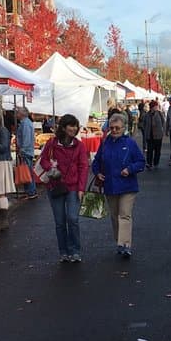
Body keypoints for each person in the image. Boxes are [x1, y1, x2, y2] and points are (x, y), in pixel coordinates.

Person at [92, 113, 146, 258]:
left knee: (125, 215)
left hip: (128, 186)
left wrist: (130, 169)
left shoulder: (130, 143)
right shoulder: (105, 143)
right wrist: (97, 173)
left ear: (124, 128)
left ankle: (125, 244)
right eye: (112, 128)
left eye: (117, 128)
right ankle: (119, 241)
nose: (114, 130)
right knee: (115, 216)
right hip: (110, 185)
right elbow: (96, 161)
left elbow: (141, 162)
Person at [39, 114, 89, 263]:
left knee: (73, 219)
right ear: (63, 127)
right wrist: (51, 168)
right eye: (70, 125)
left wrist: (81, 188)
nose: (73, 129)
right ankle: (63, 251)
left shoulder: (79, 145)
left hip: (73, 187)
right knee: (60, 222)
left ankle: (75, 250)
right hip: (56, 186)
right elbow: (43, 160)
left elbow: (84, 167)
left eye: (75, 126)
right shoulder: (52, 143)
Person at [14, 106, 37, 199]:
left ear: (22, 114)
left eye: (17, 112)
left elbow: (26, 139)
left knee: (27, 171)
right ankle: (30, 191)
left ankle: (31, 191)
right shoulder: (25, 123)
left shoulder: (26, 124)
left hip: (26, 151)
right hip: (27, 151)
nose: (16, 114)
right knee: (27, 171)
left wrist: (22, 150)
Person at [141, 100, 165, 170]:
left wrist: (163, 131)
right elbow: (144, 124)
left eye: (157, 106)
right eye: (155, 106)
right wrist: (145, 132)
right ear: (152, 107)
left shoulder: (160, 114)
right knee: (150, 150)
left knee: (157, 150)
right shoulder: (146, 115)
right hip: (149, 135)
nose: (157, 107)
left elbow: (163, 122)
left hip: (158, 135)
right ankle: (149, 163)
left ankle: (156, 163)